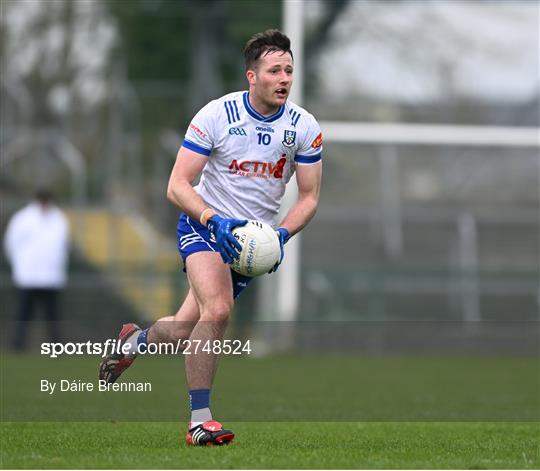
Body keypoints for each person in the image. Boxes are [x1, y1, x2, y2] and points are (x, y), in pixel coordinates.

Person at [99, 29, 323, 446]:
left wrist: (280, 235)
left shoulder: (303, 126)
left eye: (289, 70)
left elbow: (309, 197)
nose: (284, 79)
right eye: (274, 70)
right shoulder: (216, 116)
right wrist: (213, 219)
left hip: (249, 244)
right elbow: (177, 185)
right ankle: (199, 421)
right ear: (251, 77)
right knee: (217, 311)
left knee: (185, 328)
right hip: (204, 226)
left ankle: (136, 340)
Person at [4, 190, 70, 350]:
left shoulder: (59, 218)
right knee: (23, 316)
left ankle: (57, 349)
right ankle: (18, 348)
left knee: (53, 318)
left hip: (51, 278)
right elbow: (10, 244)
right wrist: (19, 267)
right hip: (28, 277)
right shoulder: (22, 219)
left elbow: (64, 246)